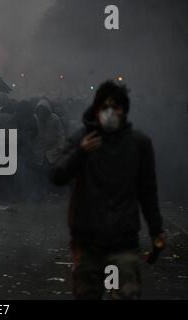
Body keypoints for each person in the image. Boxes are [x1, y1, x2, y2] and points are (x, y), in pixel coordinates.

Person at [50, 81, 166, 300]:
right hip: (87, 240)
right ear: (96, 109)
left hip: (123, 241)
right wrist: (81, 153)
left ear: (125, 110)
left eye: (116, 107)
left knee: (124, 295)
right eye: (104, 107)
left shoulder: (138, 143)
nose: (110, 112)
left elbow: (147, 190)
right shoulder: (82, 139)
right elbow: (56, 175)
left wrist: (156, 230)